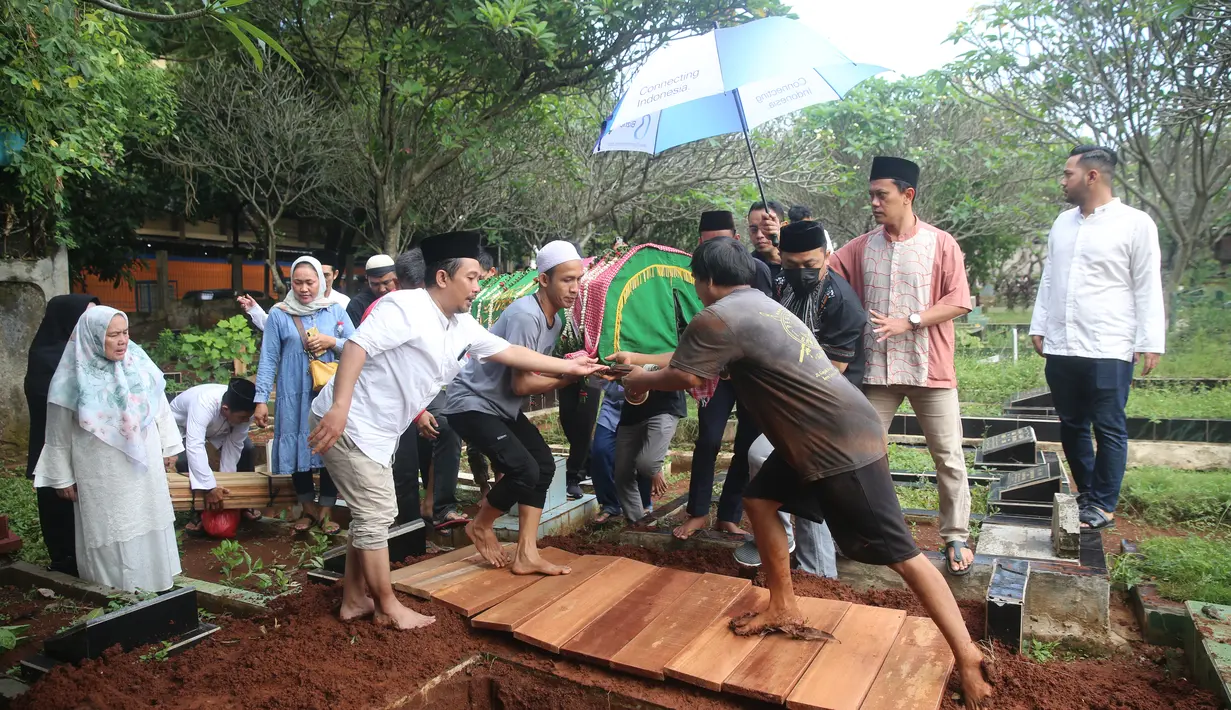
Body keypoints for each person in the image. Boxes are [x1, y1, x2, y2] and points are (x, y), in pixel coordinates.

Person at [622, 238, 992, 709]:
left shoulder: (715, 317)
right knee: (758, 502)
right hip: (822, 432)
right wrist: (638, 366)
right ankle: (782, 605)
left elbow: (688, 377)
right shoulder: (760, 305)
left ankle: (967, 656)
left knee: (903, 553)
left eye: (696, 280)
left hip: (835, 444)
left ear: (707, 281)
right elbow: (701, 365)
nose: (697, 289)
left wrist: (637, 378)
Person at [307, 231, 602, 630]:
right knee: (377, 511)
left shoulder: (460, 324)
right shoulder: (404, 306)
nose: (479, 287)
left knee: (370, 513)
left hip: (378, 429)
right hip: (350, 423)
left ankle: (354, 600)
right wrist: (340, 408)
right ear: (443, 278)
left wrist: (573, 367)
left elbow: (510, 352)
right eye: (473, 277)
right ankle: (388, 605)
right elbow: (358, 347)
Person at [829, 156, 976, 576]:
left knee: (948, 455)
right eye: (871, 195)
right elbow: (826, 272)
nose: (874, 202)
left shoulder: (940, 243)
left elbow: (958, 300)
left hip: (930, 369)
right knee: (862, 454)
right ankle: (866, 532)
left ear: (907, 195)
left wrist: (908, 321)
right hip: (876, 372)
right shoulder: (860, 247)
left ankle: (955, 536)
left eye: (882, 195)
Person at [1030, 145, 1165, 531]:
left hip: (1110, 345)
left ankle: (1104, 504)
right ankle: (1087, 493)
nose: (1062, 181)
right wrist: (1040, 324)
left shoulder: (1135, 223)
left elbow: (1147, 284)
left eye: (1068, 174)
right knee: (1071, 424)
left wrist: (1150, 339)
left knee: (1108, 426)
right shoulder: (1062, 223)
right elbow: (1050, 277)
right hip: (1064, 343)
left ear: (1093, 176)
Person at [614, 210, 770, 539]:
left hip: (755, 380)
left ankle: (730, 515)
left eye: (719, 246)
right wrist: (638, 358)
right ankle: (697, 512)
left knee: (749, 446)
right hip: (716, 374)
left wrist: (642, 377)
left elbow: (686, 374)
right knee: (709, 440)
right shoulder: (708, 305)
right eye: (705, 247)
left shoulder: (755, 279)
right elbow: (690, 354)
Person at [442, 240, 596, 573]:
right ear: (544, 279)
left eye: (578, 279)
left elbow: (529, 377)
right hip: (470, 403)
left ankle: (527, 553)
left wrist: (571, 369)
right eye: (566, 280)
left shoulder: (553, 320)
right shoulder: (527, 315)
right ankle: (481, 525)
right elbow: (522, 384)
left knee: (543, 465)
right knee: (523, 469)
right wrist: (568, 376)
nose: (574, 288)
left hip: (499, 408)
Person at [733, 220, 866, 576]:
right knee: (774, 463)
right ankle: (798, 550)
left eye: (810, 265)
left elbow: (833, 372)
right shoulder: (780, 284)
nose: (800, 273)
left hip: (828, 402)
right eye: (792, 265)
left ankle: (815, 568)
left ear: (826, 256)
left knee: (797, 472)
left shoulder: (843, 303)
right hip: (791, 398)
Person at [32, 307, 185, 593]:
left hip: (144, 462)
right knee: (111, 524)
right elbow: (57, 432)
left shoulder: (138, 362)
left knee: (148, 514)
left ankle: (157, 580)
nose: (122, 340)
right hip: (101, 468)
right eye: (112, 335)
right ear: (93, 337)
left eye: (125, 333)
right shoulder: (71, 377)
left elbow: (158, 405)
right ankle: (114, 590)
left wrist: (169, 446)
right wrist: (62, 477)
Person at [253, 256, 355, 535]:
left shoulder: (334, 311)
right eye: (297, 282)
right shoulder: (279, 313)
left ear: (321, 282)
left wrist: (331, 341)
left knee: (329, 448)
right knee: (298, 448)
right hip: (292, 396)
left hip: (327, 393)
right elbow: (269, 358)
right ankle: (308, 511)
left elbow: (358, 346)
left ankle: (326, 510)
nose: (304, 288)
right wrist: (261, 399)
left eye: (310, 282)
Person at [24, 293, 99, 576]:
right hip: (54, 447)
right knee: (60, 509)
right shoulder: (47, 357)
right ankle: (65, 563)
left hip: (85, 448)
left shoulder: (84, 352)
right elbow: (54, 413)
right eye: (85, 318)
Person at [170, 378, 260, 532]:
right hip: (183, 426)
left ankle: (243, 504)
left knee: (247, 448)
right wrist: (209, 487)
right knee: (185, 459)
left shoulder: (244, 411)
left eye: (248, 417)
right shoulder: (203, 403)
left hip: (220, 426)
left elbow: (235, 445)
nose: (246, 421)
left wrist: (226, 485)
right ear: (225, 409)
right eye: (242, 418)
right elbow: (195, 444)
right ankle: (198, 511)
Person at [611, 386, 685, 523]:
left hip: (665, 406)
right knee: (622, 474)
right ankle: (637, 522)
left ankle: (656, 466)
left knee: (649, 464)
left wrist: (654, 468)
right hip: (632, 410)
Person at [237, 250, 349, 331]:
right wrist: (255, 310)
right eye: (319, 275)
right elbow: (274, 327)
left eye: (326, 275)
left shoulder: (342, 304)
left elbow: (350, 340)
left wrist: (332, 342)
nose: (322, 280)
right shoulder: (292, 302)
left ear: (335, 274)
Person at [345, 254, 398, 328]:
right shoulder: (357, 305)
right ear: (367, 279)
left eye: (386, 283)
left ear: (396, 277)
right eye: (375, 284)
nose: (382, 289)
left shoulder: (406, 298)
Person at [748, 200, 786, 282]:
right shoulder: (747, 267)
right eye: (754, 230)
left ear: (783, 226)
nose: (759, 235)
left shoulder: (799, 261)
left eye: (767, 228)